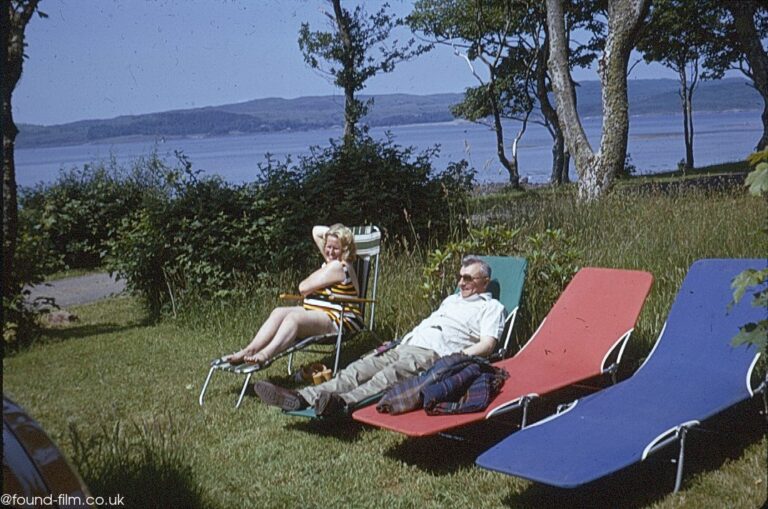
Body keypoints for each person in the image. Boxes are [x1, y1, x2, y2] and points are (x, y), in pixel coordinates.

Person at [254, 255, 506, 417]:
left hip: (433, 353)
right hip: (405, 344)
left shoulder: (491, 308)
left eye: (468, 278)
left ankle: (338, 402)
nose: (461, 283)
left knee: (386, 377)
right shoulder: (452, 299)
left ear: (484, 282)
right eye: (460, 277)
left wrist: (456, 357)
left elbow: (488, 344)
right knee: (357, 369)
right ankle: (301, 397)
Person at [223, 224, 362, 366]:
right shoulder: (333, 261)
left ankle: (265, 355)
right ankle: (249, 350)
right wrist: (335, 235)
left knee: (294, 319)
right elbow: (315, 231)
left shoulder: (337, 266)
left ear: (344, 249)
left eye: (336, 248)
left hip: (339, 320)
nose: (330, 251)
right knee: (278, 312)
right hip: (319, 312)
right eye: (328, 246)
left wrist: (342, 239)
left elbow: (303, 288)